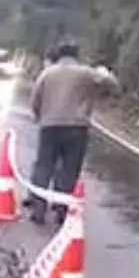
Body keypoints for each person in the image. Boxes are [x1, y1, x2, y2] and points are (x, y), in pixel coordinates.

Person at [28, 39, 119, 225]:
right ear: (77, 55)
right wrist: (104, 72)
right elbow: (113, 86)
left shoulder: (47, 74)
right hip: (76, 128)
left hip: (49, 126)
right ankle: (62, 209)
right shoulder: (86, 73)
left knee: (44, 166)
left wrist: (40, 117)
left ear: (59, 54)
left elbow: (35, 100)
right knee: (69, 169)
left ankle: (38, 209)